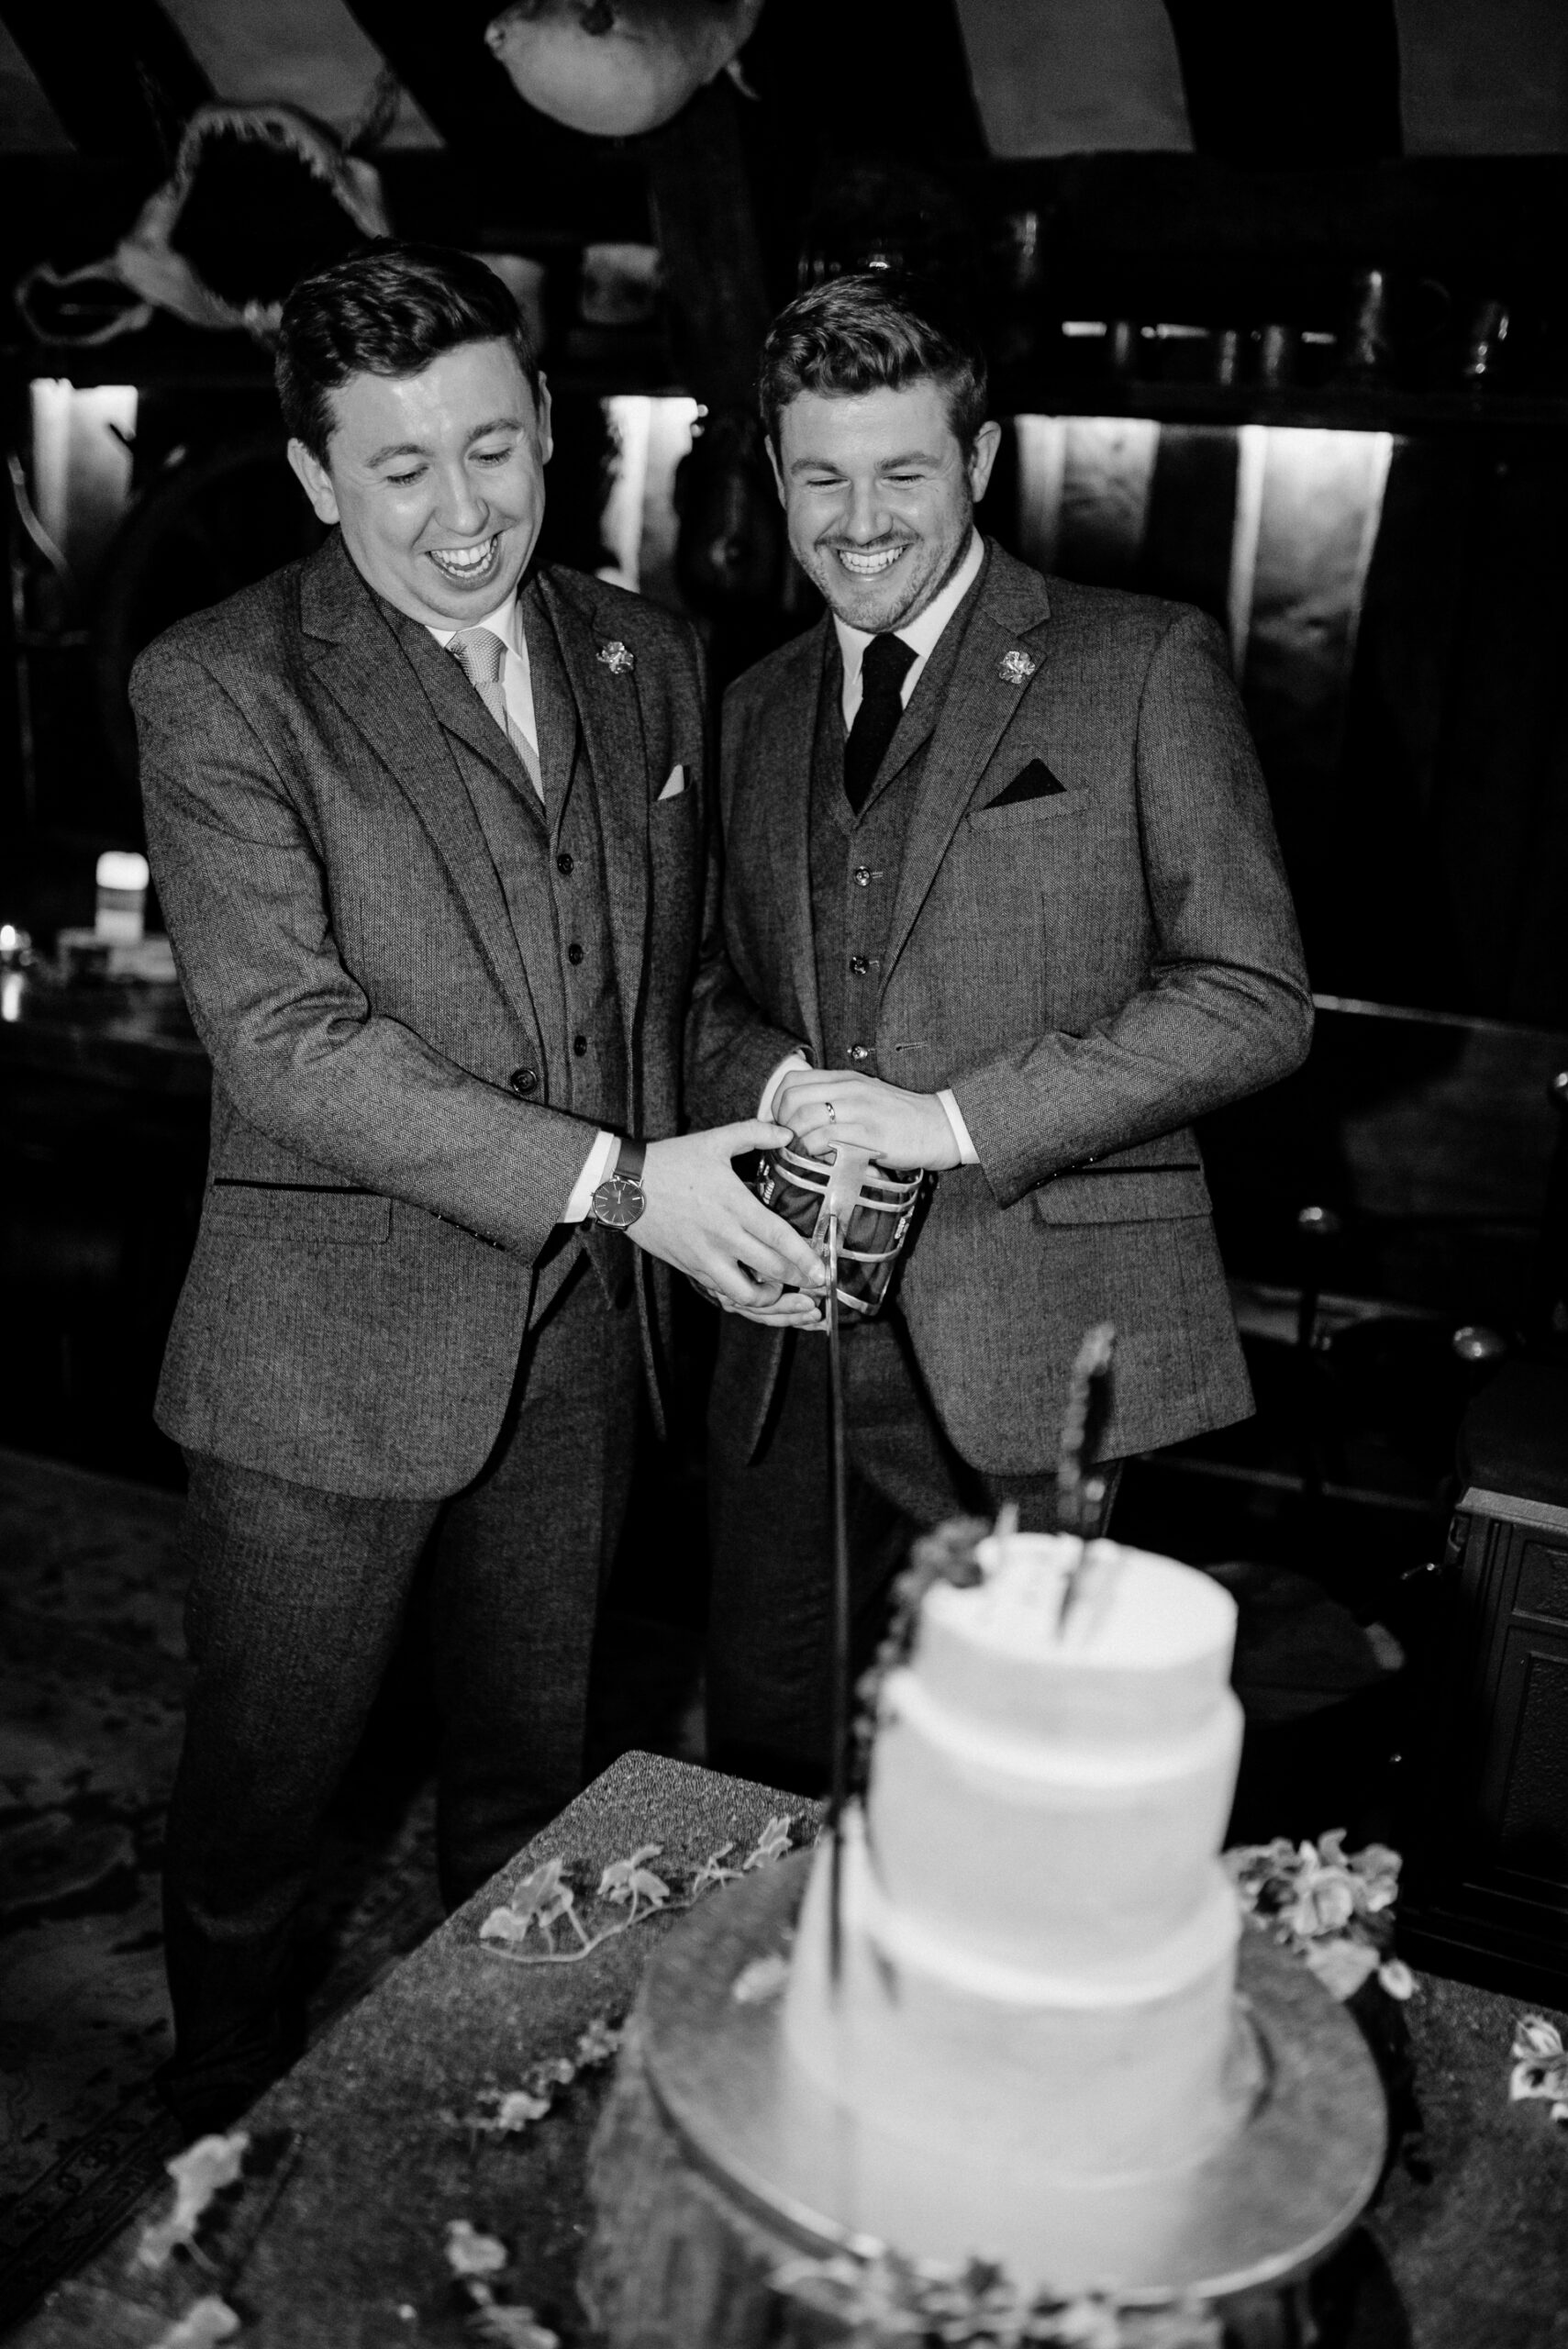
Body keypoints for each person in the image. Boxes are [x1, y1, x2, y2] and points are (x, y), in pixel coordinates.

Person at [132, 239, 823, 2132]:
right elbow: (287, 1039)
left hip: (588, 1354)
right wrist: (613, 1177)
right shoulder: (218, 686)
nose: (463, 512)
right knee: (262, 1813)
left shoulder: (648, 654)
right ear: (312, 477)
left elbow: (669, 996)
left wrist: (803, 1094)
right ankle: (216, 2138)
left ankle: (490, 2101)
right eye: (401, 469)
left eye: (495, 448)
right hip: (320, 1361)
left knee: (539, 1784)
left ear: (548, 424)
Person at [690, 271, 1315, 1792]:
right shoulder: (754, 703)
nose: (857, 518)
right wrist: (771, 1076)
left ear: (974, 464)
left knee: (1023, 1777)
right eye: (819, 476)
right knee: (768, 1752)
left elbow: (1252, 998)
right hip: (789, 1343)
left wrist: (949, 1123)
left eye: (900, 472)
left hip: (1046, 1342)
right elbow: (699, 993)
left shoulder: (1138, 662)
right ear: (774, 476)